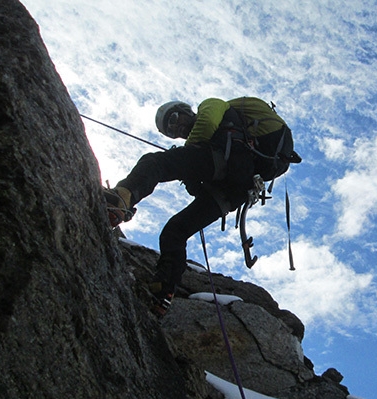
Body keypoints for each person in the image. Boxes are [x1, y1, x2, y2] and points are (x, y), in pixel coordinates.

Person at [104, 97, 298, 317]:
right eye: (170, 130)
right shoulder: (220, 141)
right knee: (175, 230)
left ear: (186, 110)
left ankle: (121, 200)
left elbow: (206, 124)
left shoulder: (211, 105)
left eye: (175, 118)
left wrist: (185, 155)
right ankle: (162, 293)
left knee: (154, 163)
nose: (175, 127)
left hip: (226, 164)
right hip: (233, 188)